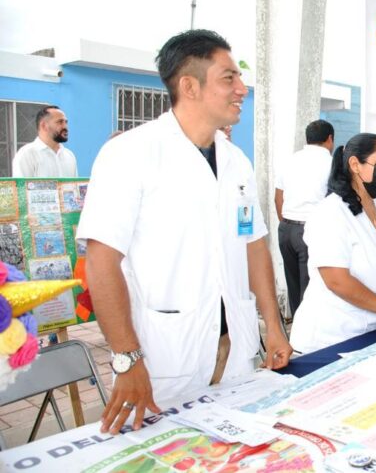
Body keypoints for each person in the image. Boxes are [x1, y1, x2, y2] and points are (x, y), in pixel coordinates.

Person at [77, 29, 292, 434]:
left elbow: (254, 245)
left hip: (236, 353)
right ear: (189, 86)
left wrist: (274, 326)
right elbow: (101, 261)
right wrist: (126, 358)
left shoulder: (236, 161)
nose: (241, 89)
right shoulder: (131, 154)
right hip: (163, 359)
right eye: (228, 78)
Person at [289, 133, 376, 354]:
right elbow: (337, 281)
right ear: (355, 164)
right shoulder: (330, 212)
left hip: (374, 335)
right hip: (329, 341)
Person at [274, 119, 334, 317]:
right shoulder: (330, 162)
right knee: (311, 292)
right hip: (311, 233)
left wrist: (286, 223)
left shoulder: (290, 160)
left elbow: (278, 196)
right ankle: (305, 342)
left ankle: (295, 338)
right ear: (329, 139)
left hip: (286, 230)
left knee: (294, 288)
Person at [12, 105, 77, 177]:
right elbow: (21, 187)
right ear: (44, 125)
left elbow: (75, 186)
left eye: (66, 122)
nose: (65, 127)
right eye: (60, 122)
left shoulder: (69, 156)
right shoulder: (27, 154)